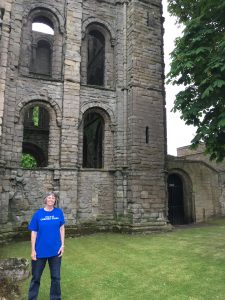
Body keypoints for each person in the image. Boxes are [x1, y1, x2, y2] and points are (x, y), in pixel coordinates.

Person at [28, 192, 65, 300]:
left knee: (56, 278)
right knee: (36, 277)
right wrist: (33, 250)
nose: (51, 199)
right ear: (45, 200)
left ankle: (55, 298)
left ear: (55, 201)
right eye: (49, 197)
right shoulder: (38, 214)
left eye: (53, 198)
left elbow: (61, 228)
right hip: (40, 252)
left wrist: (62, 245)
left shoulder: (59, 212)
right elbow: (33, 232)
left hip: (55, 251)